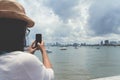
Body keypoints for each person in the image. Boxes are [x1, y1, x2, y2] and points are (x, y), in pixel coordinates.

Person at [0, 0, 54, 80]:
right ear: (19, 32)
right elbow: (50, 75)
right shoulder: (25, 61)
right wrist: (43, 50)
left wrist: (29, 53)